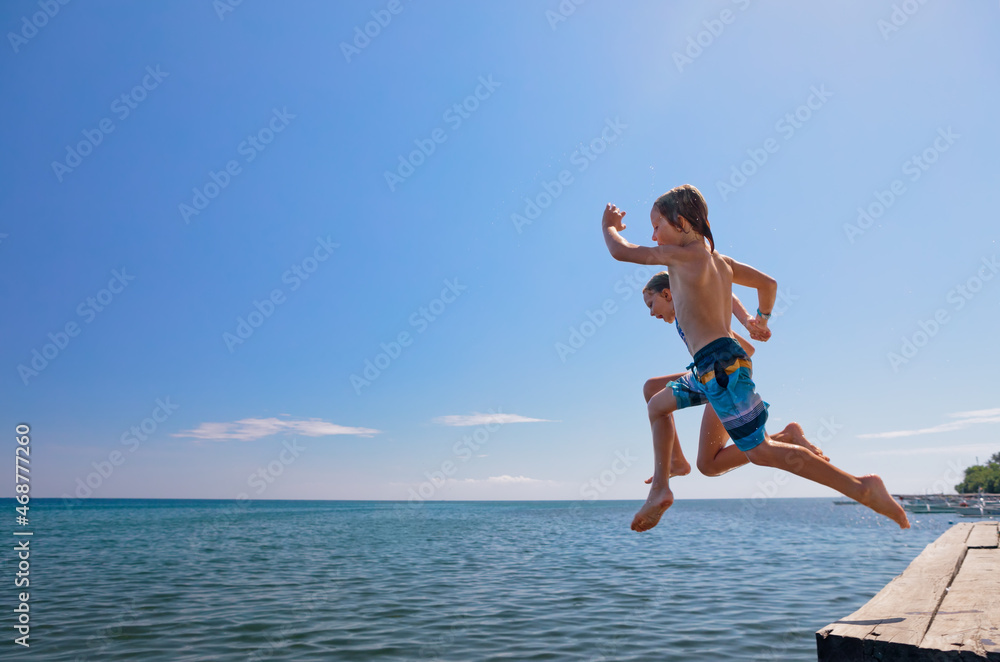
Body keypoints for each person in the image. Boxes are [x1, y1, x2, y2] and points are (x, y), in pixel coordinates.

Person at [601, 184, 909, 531]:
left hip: (720, 368)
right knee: (656, 402)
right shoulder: (720, 264)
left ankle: (861, 487)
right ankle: (666, 478)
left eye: (657, 227)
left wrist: (608, 226)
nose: (654, 236)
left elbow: (621, 251)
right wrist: (758, 319)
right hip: (710, 369)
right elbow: (769, 284)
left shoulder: (683, 257)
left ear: (682, 223)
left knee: (761, 452)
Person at [639, 271, 827, 484]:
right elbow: (748, 349)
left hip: (723, 383)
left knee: (709, 465)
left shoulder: (690, 305)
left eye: (650, 304)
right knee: (651, 388)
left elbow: (718, 289)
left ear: (667, 294)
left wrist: (747, 319)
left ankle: (785, 437)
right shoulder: (688, 321)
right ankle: (676, 460)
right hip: (710, 376)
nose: (651, 313)